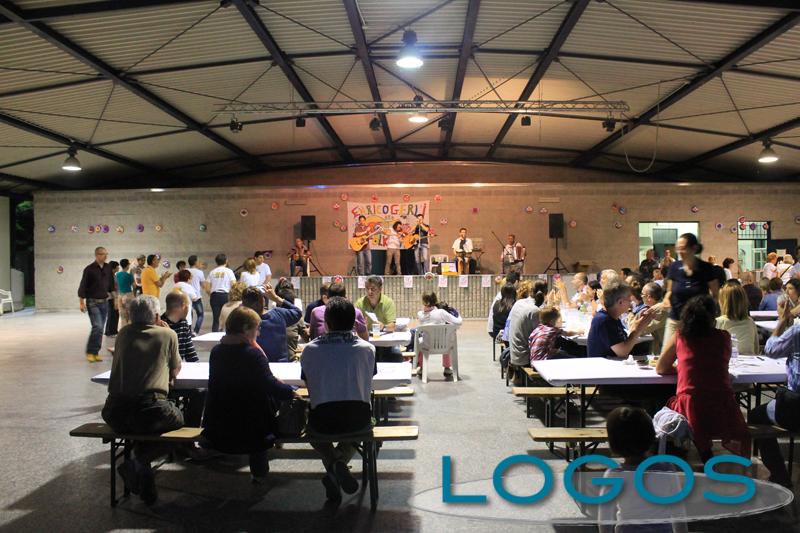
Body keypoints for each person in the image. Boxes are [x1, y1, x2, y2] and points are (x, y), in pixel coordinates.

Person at [101, 295, 183, 504]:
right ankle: (139, 460)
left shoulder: (123, 334)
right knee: (181, 423)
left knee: (140, 430)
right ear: (156, 316)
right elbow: (176, 369)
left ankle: (144, 479)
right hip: (151, 409)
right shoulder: (168, 334)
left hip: (114, 411)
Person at [202, 306, 298, 483]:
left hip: (219, 422)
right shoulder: (253, 354)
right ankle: (259, 473)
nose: (258, 333)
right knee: (263, 408)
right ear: (246, 329)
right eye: (257, 328)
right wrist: (291, 392)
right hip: (251, 428)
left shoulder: (217, 352)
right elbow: (269, 384)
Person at [657, 295, 750, 462]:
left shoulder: (680, 337)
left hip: (691, 407)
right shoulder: (724, 337)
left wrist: (682, 369)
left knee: (660, 405)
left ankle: (675, 455)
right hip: (722, 408)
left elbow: (661, 367)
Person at [301, 297, 376, 502]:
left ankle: (334, 465)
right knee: (363, 429)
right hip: (359, 420)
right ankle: (339, 464)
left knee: (312, 434)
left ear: (326, 323)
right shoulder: (367, 349)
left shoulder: (310, 350)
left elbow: (309, 385)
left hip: (322, 422)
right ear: (354, 323)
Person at [598, 407, 688, 533]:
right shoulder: (666, 469)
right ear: (650, 436)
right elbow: (679, 512)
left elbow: (604, 519)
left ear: (613, 443)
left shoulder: (613, 476)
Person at [748, 299, 800, 488]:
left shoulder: (797, 331)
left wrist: (782, 321)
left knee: (756, 415)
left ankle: (780, 476)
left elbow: (770, 349)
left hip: (795, 408)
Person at [662, 233, 719, 348]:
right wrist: (666, 300)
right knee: (666, 352)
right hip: (676, 319)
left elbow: (715, 294)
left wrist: (710, 313)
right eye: (678, 248)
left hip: (699, 321)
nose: (680, 252)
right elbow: (669, 291)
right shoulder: (674, 267)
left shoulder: (706, 268)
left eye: (683, 248)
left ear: (694, 248)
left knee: (697, 353)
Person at [587, 284, 654, 358]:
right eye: (629, 300)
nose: (631, 303)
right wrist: (638, 328)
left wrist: (636, 325)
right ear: (620, 302)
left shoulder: (612, 317)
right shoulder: (604, 320)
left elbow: (625, 343)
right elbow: (622, 352)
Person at [241, 285, 302, 362]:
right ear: (263, 301)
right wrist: (275, 298)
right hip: (281, 365)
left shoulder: (241, 321)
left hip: (255, 365)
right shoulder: (278, 314)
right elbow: (297, 312)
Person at [78, 246, 115, 363]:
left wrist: (115, 299)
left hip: (104, 302)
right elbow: (83, 286)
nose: (105, 256)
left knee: (100, 328)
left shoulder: (108, 268)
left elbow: (111, 285)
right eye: (103, 254)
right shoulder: (89, 269)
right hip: (92, 302)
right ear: (97, 255)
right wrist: (81, 302)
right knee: (97, 327)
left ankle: (95, 353)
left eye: (106, 254)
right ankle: (90, 352)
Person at [507, 280, 548, 385]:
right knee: (562, 353)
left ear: (530, 291)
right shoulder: (534, 310)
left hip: (514, 352)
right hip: (524, 356)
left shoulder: (519, 303)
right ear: (545, 293)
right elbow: (542, 334)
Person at [416, 291, 462, 376]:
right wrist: (457, 314)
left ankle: (421, 368)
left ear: (423, 301)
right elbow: (459, 322)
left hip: (427, 345)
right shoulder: (441, 312)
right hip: (443, 345)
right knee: (446, 337)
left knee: (419, 341)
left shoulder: (420, 314)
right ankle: (447, 368)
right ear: (435, 300)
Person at [355, 276, 399, 362]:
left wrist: (383, 326)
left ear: (380, 289)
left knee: (395, 356)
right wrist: (362, 326)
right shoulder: (360, 303)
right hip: (366, 342)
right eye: (367, 288)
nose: (369, 292)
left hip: (385, 344)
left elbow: (392, 326)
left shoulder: (388, 302)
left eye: (373, 289)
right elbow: (354, 326)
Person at [715, 282, 759, 355]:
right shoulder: (750, 322)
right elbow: (756, 348)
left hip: (729, 360)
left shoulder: (719, 322)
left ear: (722, 302)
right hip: (750, 359)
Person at [161, 291, 199, 363]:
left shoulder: (183, 324)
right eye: (188, 306)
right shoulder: (161, 326)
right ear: (183, 306)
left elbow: (191, 354)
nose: (189, 309)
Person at [637, 282, 668, 354]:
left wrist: (629, 315)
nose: (641, 296)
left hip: (665, 352)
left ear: (649, 297)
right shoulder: (658, 307)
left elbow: (641, 331)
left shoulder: (658, 310)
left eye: (642, 294)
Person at [208, 253, 236, 332]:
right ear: (226, 261)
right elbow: (234, 284)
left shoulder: (212, 272)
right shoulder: (229, 271)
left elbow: (206, 286)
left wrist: (211, 294)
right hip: (225, 295)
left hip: (214, 295)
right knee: (228, 316)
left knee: (216, 318)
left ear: (216, 262)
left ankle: (214, 334)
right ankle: (227, 334)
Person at [187, 255, 207, 334]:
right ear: (195, 262)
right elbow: (203, 285)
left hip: (187, 297)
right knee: (200, 315)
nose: (199, 262)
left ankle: (188, 331)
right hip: (197, 297)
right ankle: (195, 331)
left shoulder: (185, 271)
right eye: (198, 261)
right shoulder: (200, 272)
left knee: (189, 315)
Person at [116, 258, 135, 329]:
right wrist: (132, 275)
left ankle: (123, 330)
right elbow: (134, 286)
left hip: (120, 295)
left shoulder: (117, 274)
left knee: (122, 315)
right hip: (128, 295)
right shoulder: (129, 275)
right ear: (127, 265)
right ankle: (130, 330)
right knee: (130, 315)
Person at [105, 260, 120, 338]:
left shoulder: (114, 275)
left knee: (115, 314)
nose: (118, 268)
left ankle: (114, 331)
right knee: (112, 315)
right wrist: (115, 299)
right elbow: (110, 288)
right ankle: (109, 332)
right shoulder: (108, 276)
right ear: (113, 268)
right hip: (111, 298)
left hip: (115, 297)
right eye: (117, 267)